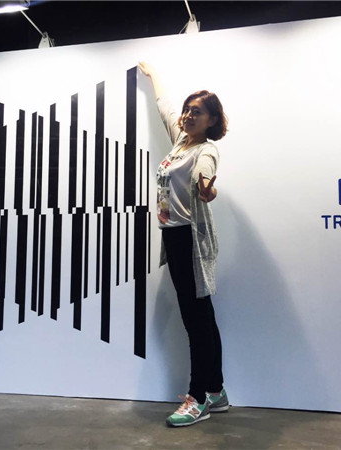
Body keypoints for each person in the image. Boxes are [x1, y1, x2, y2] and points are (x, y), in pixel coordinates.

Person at [138, 62, 229, 427]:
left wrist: (207, 189)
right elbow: (165, 106)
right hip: (174, 237)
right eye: (188, 110)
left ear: (212, 120)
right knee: (202, 316)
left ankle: (198, 397)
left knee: (195, 321)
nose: (189, 115)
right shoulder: (180, 142)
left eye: (198, 112)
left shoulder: (205, 150)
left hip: (191, 239)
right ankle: (217, 391)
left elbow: (206, 174)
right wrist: (153, 76)